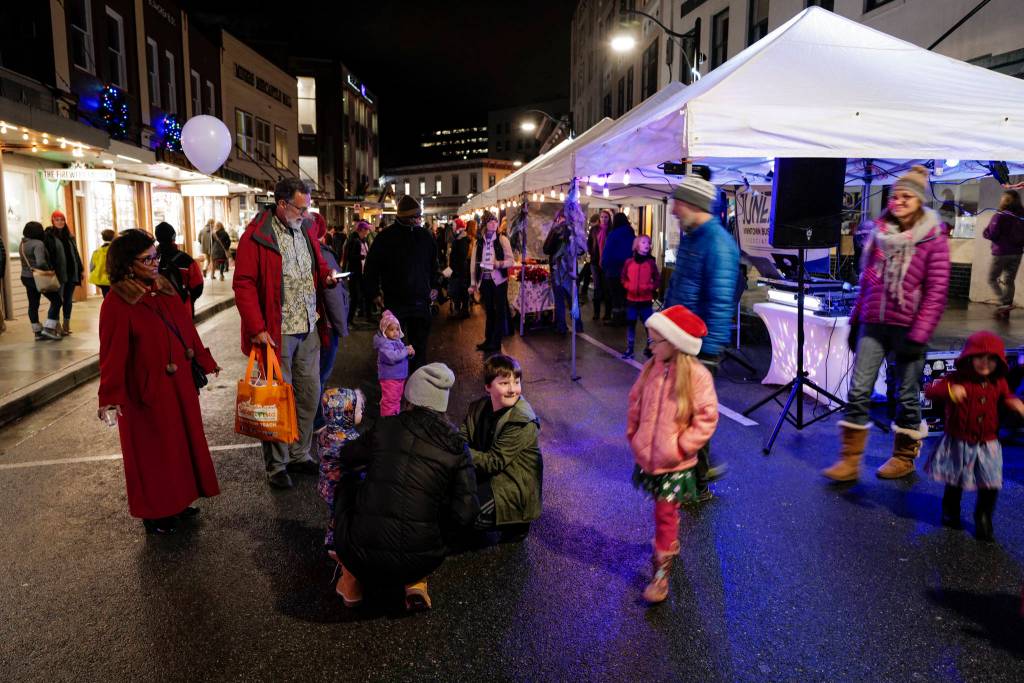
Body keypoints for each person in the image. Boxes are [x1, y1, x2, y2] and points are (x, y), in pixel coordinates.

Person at [824, 165, 951, 482]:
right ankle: (850, 460)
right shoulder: (880, 233)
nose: (900, 201)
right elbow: (867, 281)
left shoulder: (932, 238)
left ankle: (904, 456)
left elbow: (936, 293)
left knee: (906, 393)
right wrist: (855, 322)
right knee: (858, 389)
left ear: (920, 201)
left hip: (909, 328)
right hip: (873, 322)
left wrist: (919, 336)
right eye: (896, 195)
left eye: (907, 196)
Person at [97, 229, 221, 534]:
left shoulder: (163, 288)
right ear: (127, 264)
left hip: (179, 387)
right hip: (146, 393)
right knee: (153, 454)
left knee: (180, 446)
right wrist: (110, 397)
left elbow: (186, 329)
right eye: (147, 258)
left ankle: (179, 501)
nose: (155, 263)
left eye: (156, 256)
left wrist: (205, 361)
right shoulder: (117, 302)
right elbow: (112, 355)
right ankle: (155, 512)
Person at [333, 363, 478, 611]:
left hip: (361, 554)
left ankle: (351, 582)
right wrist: (437, 536)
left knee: (345, 481)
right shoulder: (455, 445)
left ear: (410, 396)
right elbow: (467, 512)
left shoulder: (387, 426)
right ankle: (415, 583)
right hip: (422, 559)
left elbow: (347, 456)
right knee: (436, 499)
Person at [233, 177, 340, 489]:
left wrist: (327, 276)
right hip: (276, 332)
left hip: (308, 325)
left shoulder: (305, 231)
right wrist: (256, 328)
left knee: (309, 394)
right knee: (278, 399)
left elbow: (317, 266)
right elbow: (243, 284)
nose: (305, 214)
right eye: (300, 207)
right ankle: (277, 465)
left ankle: (299, 453)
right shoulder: (256, 237)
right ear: (281, 204)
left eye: (307, 207)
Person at [628, 305, 718, 603]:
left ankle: (661, 575)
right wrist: (634, 433)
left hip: (675, 463)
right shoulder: (651, 368)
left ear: (675, 342)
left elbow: (707, 417)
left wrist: (681, 447)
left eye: (655, 340)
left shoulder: (697, 375)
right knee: (663, 509)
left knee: (665, 514)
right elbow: (636, 402)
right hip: (650, 458)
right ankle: (669, 543)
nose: (650, 346)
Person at [663, 174, 740, 500]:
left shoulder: (719, 243)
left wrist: (706, 350)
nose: (673, 211)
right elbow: (680, 289)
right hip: (680, 339)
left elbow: (720, 302)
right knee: (684, 410)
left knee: (694, 413)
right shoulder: (693, 237)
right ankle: (697, 472)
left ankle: (700, 482)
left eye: (678, 204)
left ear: (693, 204)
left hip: (700, 345)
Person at [922, 331, 1024, 542]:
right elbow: (931, 390)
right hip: (959, 440)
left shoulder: (999, 382)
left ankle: (983, 516)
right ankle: (950, 510)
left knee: (991, 482)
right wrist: (950, 390)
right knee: (955, 479)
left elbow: (1006, 396)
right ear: (969, 357)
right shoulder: (957, 378)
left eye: (991, 359)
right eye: (980, 357)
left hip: (988, 443)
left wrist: (1013, 402)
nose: (985, 363)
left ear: (998, 361)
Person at [460, 354, 542, 541]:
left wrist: (457, 452)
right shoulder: (477, 408)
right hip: (488, 476)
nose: (513, 389)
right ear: (488, 386)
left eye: (517, 382)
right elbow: (461, 438)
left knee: (464, 515)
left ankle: (516, 523)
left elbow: (493, 462)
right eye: (505, 383)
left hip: (511, 486)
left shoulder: (522, 420)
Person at [363, 195, 438, 370]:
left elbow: (433, 264)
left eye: (419, 217)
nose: (418, 221)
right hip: (395, 303)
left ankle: (417, 383)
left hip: (420, 302)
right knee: (394, 347)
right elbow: (371, 268)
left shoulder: (425, 236)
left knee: (419, 348)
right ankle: (396, 384)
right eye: (415, 217)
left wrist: (435, 286)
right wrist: (373, 293)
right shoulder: (385, 238)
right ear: (403, 217)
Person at [316, 386, 364, 562]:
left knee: (335, 513)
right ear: (345, 415)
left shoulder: (324, 433)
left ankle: (331, 540)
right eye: (358, 410)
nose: (362, 413)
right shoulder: (349, 441)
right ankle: (337, 546)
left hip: (325, 485)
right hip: (339, 489)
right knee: (342, 515)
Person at [311, 213, 350, 430]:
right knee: (320, 374)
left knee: (312, 373)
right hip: (325, 323)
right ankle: (316, 419)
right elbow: (333, 297)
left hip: (312, 323)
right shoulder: (322, 254)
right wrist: (340, 325)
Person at [468, 213, 514, 352]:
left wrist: (498, 264)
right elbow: (473, 263)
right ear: (484, 224)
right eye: (490, 222)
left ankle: (496, 342)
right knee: (489, 311)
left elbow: (511, 261)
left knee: (499, 311)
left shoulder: (502, 239)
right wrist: (473, 283)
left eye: (495, 221)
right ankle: (488, 340)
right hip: (485, 281)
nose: (494, 224)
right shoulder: (479, 242)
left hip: (499, 281)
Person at [982, 190, 1024, 320]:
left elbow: (992, 234)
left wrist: (986, 232)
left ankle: (1003, 302)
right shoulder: (1022, 216)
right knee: (1009, 280)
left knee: (991, 278)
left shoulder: (999, 216)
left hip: (1001, 253)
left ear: (1006, 201)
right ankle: (1007, 306)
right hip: (1017, 253)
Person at [543, 209, 584, 335]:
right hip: (558, 270)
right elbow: (547, 249)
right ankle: (564, 326)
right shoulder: (557, 231)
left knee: (570, 298)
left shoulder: (572, 231)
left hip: (567, 271)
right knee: (564, 298)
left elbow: (581, 250)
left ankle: (573, 325)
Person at [18, 221, 63, 340]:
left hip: (26, 277)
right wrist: (48, 271)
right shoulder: (38, 244)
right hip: (38, 277)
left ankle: (37, 332)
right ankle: (49, 328)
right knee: (57, 300)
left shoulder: (22, 243)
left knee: (33, 304)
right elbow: (41, 262)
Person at [620, 235, 659, 359]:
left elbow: (657, 279)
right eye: (643, 242)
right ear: (637, 245)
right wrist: (628, 286)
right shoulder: (629, 262)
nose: (647, 244)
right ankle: (630, 348)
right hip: (631, 300)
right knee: (631, 323)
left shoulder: (651, 263)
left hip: (646, 300)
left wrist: (650, 287)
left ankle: (650, 347)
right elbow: (623, 277)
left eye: (648, 242)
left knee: (649, 325)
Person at [155, 222, 204, 316]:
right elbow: (198, 286)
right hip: (183, 309)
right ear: (174, 237)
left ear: (157, 238)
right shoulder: (186, 260)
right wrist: (187, 298)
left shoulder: (152, 259)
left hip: (160, 311)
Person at [48, 211, 84, 336]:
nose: (60, 222)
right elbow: (49, 256)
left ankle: (66, 324)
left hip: (71, 272)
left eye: (62, 220)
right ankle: (56, 325)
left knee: (68, 300)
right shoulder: (49, 236)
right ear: (52, 221)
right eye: (57, 220)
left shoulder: (70, 236)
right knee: (58, 300)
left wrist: (81, 269)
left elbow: (76, 254)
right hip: (58, 274)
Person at [374, 310, 414, 417]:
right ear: (384, 331)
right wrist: (405, 351)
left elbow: (400, 354)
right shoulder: (384, 345)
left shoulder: (396, 341)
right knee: (390, 401)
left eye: (397, 329)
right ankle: (387, 421)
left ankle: (394, 417)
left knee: (396, 399)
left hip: (398, 376)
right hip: (390, 378)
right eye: (391, 329)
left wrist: (409, 352)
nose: (395, 332)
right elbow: (393, 357)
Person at [600, 212, 636, 323]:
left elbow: (607, 252)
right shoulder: (631, 233)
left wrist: (604, 265)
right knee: (625, 295)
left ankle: (617, 319)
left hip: (613, 270)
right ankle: (626, 318)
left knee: (615, 295)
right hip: (628, 270)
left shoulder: (613, 234)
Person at [343, 221, 372, 326]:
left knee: (363, 295)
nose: (368, 232)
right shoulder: (355, 241)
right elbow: (350, 257)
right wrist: (362, 257)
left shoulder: (362, 240)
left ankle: (362, 315)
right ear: (362, 230)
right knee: (355, 297)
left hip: (361, 272)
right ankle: (349, 320)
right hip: (355, 273)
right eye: (367, 230)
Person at [588, 210, 612, 321]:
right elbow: (589, 244)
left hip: (607, 263)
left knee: (607, 288)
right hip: (595, 262)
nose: (603, 219)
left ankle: (607, 313)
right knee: (597, 288)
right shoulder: (594, 229)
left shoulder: (611, 230)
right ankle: (596, 313)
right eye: (602, 217)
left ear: (609, 218)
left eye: (606, 217)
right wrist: (592, 254)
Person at [448, 218, 471, 318]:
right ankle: (460, 310)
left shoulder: (462, 240)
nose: (452, 228)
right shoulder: (459, 238)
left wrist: (455, 270)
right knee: (459, 290)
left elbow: (461, 257)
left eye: (453, 226)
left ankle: (463, 311)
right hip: (457, 270)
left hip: (460, 271)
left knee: (461, 290)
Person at [88, 229, 115, 298]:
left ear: (103, 238)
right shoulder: (115, 250)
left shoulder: (96, 251)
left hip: (100, 279)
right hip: (113, 279)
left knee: (106, 295)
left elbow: (91, 267)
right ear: (114, 237)